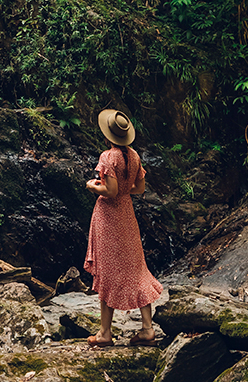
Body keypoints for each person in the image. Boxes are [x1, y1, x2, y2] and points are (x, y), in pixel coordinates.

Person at [83, 109, 163, 347]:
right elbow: (138, 189)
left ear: (108, 135)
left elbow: (111, 191)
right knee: (136, 269)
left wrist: (93, 186)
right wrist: (115, 186)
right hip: (127, 216)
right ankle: (147, 328)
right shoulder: (134, 156)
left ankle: (105, 333)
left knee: (108, 272)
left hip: (109, 218)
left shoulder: (108, 157)